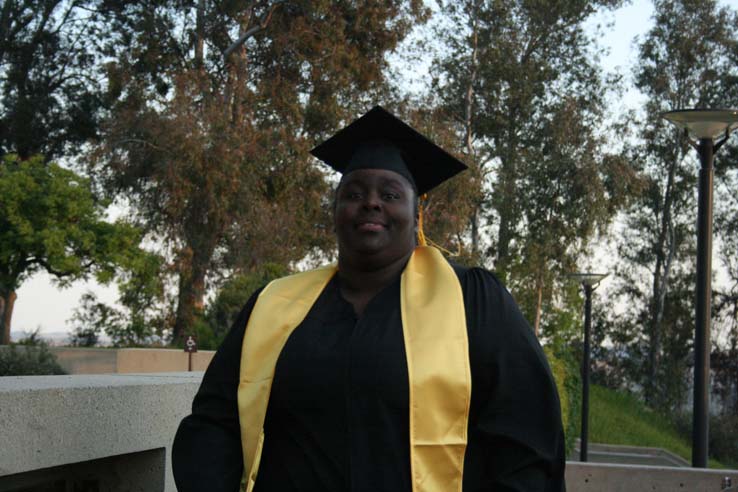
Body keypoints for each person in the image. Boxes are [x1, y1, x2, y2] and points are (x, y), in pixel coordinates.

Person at [172, 106, 566, 492]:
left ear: (416, 216)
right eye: (354, 193)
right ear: (336, 212)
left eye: (390, 193)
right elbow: (215, 424)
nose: (371, 202)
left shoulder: (473, 301)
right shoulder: (275, 305)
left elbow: (525, 439)